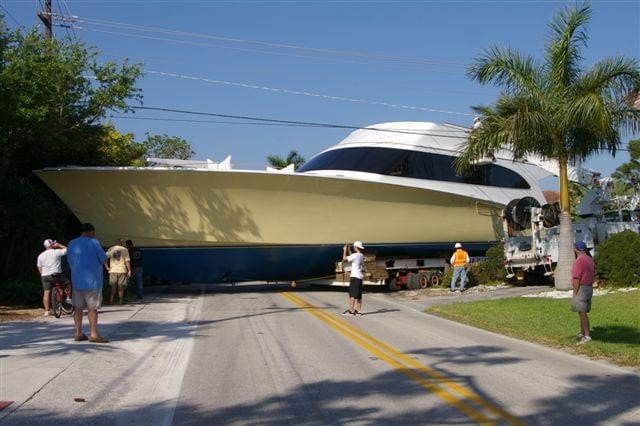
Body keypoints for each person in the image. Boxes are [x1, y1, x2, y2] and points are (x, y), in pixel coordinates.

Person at [67, 223, 109, 343]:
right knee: (92, 308)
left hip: (76, 280)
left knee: (78, 308)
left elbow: (69, 261)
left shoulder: (71, 243)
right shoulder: (94, 242)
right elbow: (103, 259)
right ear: (91, 232)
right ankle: (94, 334)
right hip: (92, 282)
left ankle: (78, 333)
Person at [36, 239, 71, 316]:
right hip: (56, 274)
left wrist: (43, 274)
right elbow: (68, 249)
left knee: (46, 292)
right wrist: (58, 245)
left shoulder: (41, 255)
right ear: (52, 244)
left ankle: (46, 311)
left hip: (45, 276)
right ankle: (68, 298)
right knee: (67, 283)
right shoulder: (56, 252)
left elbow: (39, 267)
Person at [572, 241, 595, 345]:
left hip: (581, 288)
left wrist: (575, 291)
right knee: (582, 312)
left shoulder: (579, 261)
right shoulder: (590, 259)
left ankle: (586, 335)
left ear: (576, 249)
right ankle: (582, 333)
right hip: (589, 288)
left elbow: (576, 278)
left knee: (583, 313)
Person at [342, 241, 365, 316]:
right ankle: (358, 311)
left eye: (354, 247)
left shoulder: (355, 255)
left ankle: (350, 311)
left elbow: (345, 259)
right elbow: (353, 257)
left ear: (356, 247)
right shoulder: (361, 255)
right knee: (358, 295)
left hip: (354, 276)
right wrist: (349, 250)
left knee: (352, 295)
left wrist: (345, 250)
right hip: (360, 276)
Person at [105, 239, 131, 305]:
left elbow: (104, 258)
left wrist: (107, 267)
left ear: (115, 243)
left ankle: (111, 300)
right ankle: (120, 301)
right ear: (122, 243)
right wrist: (129, 270)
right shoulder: (125, 249)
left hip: (113, 270)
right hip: (122, 270)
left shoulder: (111, 249)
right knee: (120, 287)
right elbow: (127, 261)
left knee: (113, 287)